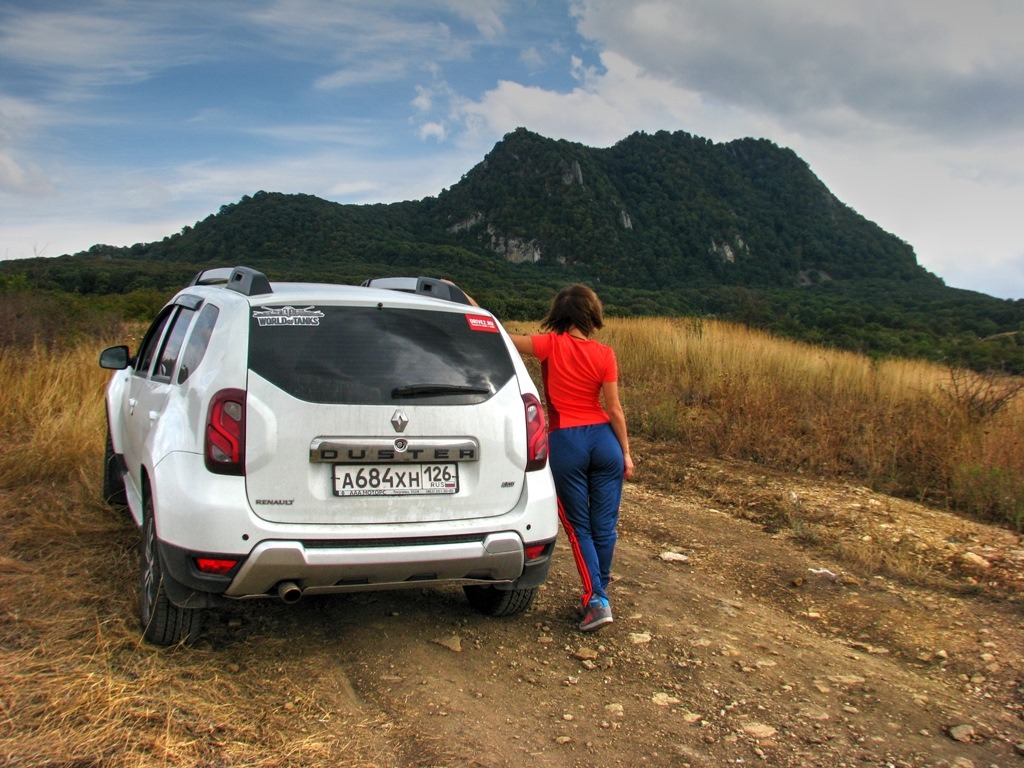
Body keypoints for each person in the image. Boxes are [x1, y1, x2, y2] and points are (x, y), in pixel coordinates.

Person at [463, 283, 633, 631]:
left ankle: (597, 600)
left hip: (567, 441)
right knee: (605, 527)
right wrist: (626, 453)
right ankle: (599, 584)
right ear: (592, 315)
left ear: (560, 314)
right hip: (605, 441)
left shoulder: (549, 345)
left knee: (578, 527)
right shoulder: (606, 354)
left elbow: (498, 334)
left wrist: (466, 300)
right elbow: (614, 410)